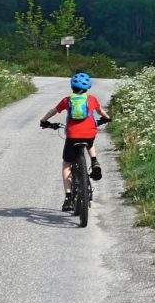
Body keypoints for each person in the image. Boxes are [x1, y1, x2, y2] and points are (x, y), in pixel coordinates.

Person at [40, 71, 111, 212]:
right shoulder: (92, 100)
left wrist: (44, 121)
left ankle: (68, 198)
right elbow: (102, 112)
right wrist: (107, 118)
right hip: (89, 134)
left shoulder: (67, 100)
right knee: (90, 141)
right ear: (88, 87)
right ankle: (95, 161)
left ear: (72, 87)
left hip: (72, 136)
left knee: (67, 164)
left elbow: (53, 111)